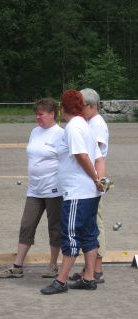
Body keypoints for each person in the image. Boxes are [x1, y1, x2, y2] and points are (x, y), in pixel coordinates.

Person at [41, 89, 104, 295]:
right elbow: (99, 157)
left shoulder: (74, 127)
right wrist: (99, 180)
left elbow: (82, 156)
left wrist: (95, 178)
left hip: (77, 192)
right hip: (88, 192)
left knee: (70, 235)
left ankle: (60, 281)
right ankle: (88, 278)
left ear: (62, 107)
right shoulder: (84, 125)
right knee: (89, 233)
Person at [0, 98, 64, 279]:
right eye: (36, 114)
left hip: (54, 189)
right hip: (34, 189)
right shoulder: (35, 131)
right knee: (26, 225)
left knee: (54, 228)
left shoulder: (60, 134)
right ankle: (17, 266)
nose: (37, 117)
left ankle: (53, 265)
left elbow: (66, 161)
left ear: (52, 114)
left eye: (41, 114)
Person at [69, 88, 109, 284]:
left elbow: (96, 155)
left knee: (95, 223)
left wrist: (97, 180)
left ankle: (97, 269)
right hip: (90, 181)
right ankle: (90, 268)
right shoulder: (88, 122)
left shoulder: (97, 124)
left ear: (92, 107)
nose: (79, 109)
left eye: (82, 106)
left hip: (92, 182)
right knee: (90, 224)